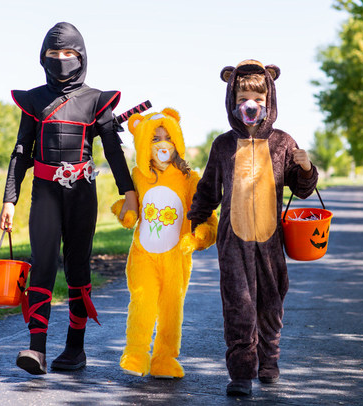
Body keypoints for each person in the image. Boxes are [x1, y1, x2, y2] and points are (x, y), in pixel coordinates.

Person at [0, 22, 138, 375]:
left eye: (69, 53)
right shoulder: (33, 100)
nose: (61, 60)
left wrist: (130, 192)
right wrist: (9, 199)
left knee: (77, 268)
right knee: (42, 265)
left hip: (82, 195)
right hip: (44, 194)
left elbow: (113, 150)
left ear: (82, 56)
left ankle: (75, 349)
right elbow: (20, 151)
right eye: (53, 53)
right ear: (42, 57)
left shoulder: (96, 100)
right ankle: (36, 350)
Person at [187, 59, 318, 396]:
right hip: (234, 241)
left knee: (271, 305)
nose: (251, 105)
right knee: (239, 307)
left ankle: (269, 360)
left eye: (259, 99)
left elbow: (301, 189)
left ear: (269, 102)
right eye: (244, 97)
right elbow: (208, 189)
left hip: (270, 239)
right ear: (233, 101)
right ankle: (242, 373)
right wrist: (196, 220)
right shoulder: (223, 145)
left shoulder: (283, 142)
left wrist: (305, 170)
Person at [110, 108, 217, 379]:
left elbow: (207, 216)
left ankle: (164, 358)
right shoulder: (138, 176)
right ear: (144, 144)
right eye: (155, 139)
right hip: (144, 254)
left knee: (172, 307)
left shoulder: (189, 179)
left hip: (175, 256)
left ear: (177, 142)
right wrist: (125, 212)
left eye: (167, 137)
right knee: (142, 300)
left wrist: (199, 237)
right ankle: (135, 354)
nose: (162, 144)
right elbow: (132, 211)